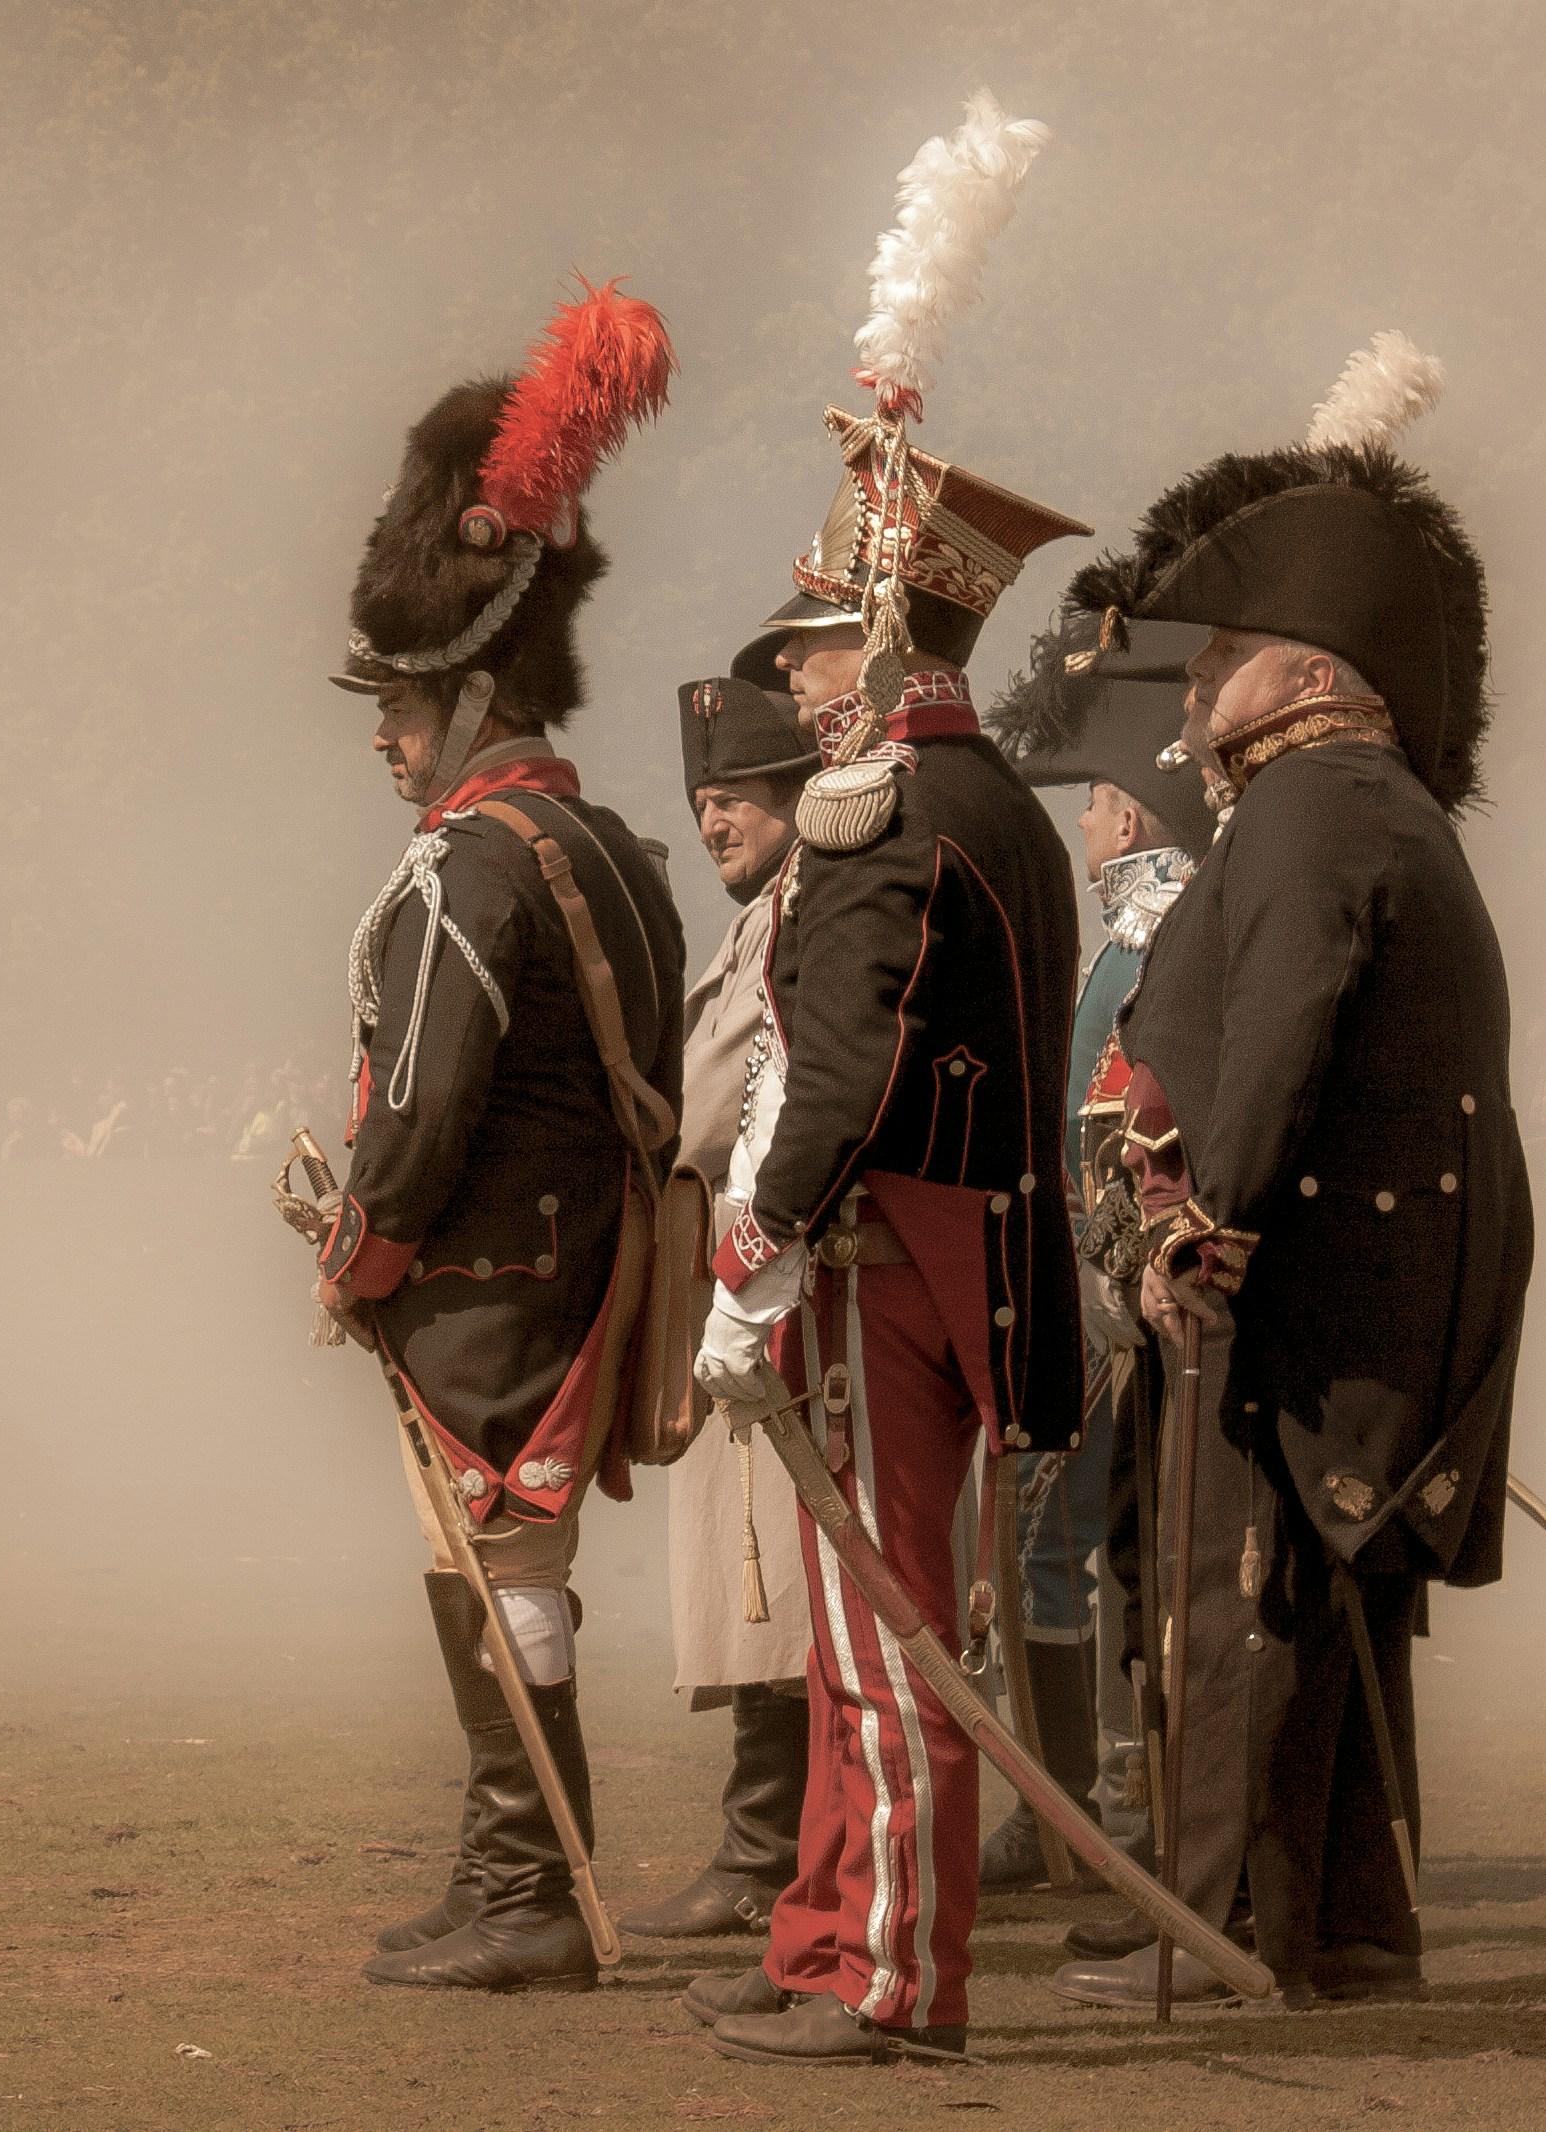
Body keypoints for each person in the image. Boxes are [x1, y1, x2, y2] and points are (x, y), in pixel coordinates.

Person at [1047, 398, 1534, 2010]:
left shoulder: (1315, 807)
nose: (1188, 697)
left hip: (1306, 1275)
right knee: (1339, 1613)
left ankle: (1221, 1938)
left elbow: (1284, 1033)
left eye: (1219, 662)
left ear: (1314, 675)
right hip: (1391, 1275)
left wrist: (1208, 1218)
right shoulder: (1370, 805)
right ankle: (1353, 1933)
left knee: (1238, 1607)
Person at [685, 404, 1088, 2060]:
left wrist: (753, 1241)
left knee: (879, 1626)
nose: (790, 681)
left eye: (814, 642)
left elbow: (840, 1067)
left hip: (880, 1272)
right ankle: (824, 1931)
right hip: (953, 1267)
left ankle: (894, 1973)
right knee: (868, 1620)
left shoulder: (884, 805)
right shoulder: (984, 796)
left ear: (887, 635)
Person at [306, 283, 686, 1993]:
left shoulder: (475, 861)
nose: (383, 728)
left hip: (488, 1269)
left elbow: (429, 1099)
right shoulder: (596, 835)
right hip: (561, 1256)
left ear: (469, 692)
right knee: (499, 1556)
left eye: (400, 698)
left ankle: (527, 1883)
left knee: (496, 1555)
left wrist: (361, 1246)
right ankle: (508, 1868)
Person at [974, 602, 1216, 1892]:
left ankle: (1082, 1816)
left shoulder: (1142, 936)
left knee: (1060, 1548)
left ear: (1124, 814)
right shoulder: (1155, 928)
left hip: (1106, 1308)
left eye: (1088, 806)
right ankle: (1093, 1808)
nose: (1076, 826)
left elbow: (1109, 1135)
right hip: (1109, 1297)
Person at [617, 676, 818, 1943]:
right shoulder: (755, 922)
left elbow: (722, 1100)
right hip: (728, 1268)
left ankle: (766, 1850)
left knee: (771, 1582)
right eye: (700, 802)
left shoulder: (796, 913)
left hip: (763, 1279)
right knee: (755, 1576)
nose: (711, 823)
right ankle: (764, 1838)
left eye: (734, 798)